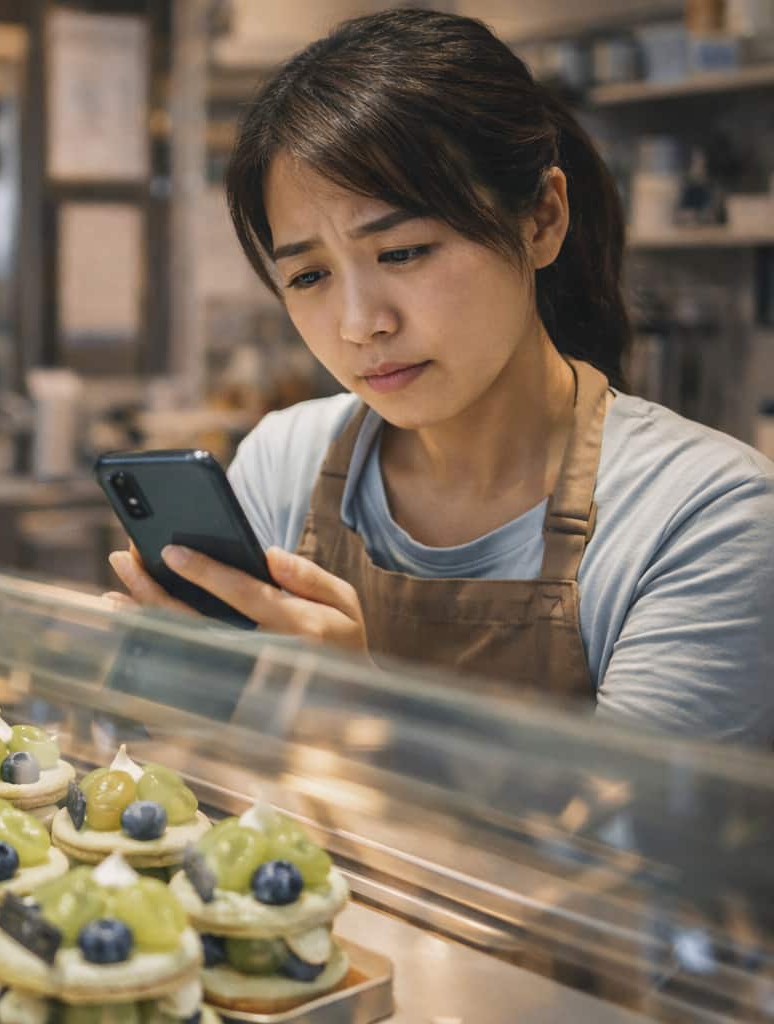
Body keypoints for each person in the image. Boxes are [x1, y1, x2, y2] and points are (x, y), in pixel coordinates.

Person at [106, 9, 774, 746]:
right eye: (310, 275)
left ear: (543, 219)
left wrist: (364, 719)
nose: (361, 324)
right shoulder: (284, 462)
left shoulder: (703, 517)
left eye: (404, 252)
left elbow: (631, 846)